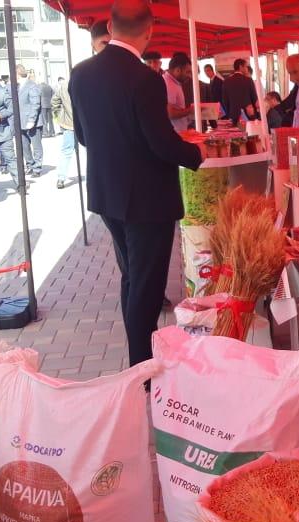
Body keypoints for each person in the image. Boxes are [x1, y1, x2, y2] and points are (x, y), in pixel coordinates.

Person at [70, 0, 203, 366]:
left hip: (107, 195)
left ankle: (140, 363)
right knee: (145, 287)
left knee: (132, 278)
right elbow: (161, 143)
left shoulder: (80, 74)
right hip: (147, 201)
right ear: (149, 31)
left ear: (111, 28)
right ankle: (142, 370)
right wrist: (197, 152)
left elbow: (82, 136)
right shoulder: (146, 79)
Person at [15, 65, 44, 177]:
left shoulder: (31, 85)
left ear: (17, 74)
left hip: (33, 122)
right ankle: (30, 165)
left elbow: (35, 103)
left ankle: (37, 167)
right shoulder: (18, 87)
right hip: (21, 122)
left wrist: (32, 120)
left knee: (36, 146)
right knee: (25, 146)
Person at [51, 76, 76, 189]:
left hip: (69, 124)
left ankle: (61, 178)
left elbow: (54, 101)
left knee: (66, 152)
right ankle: (93, 178)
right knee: (89, 152)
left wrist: (59, 115)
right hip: (86, 124)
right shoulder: (88, 82)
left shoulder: (64, 85)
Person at [163, 53, 194, 132]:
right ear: (178, 70)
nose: (189, 76)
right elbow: (170, 113)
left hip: (179, 131)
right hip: (175, 133)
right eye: (187, 72)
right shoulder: (169, 84)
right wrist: (191, 110)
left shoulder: (174, 82)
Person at [222, 58, 258, 124]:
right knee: (249, 130)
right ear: (241, 67)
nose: (247, 69)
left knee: (235, 131)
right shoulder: (248, 80)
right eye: (246, 66)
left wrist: (229, 113)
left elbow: (225, 100)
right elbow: (254, 99)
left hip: (233, 115)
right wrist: (255, 113)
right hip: (248, 114)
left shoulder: (226, 81)